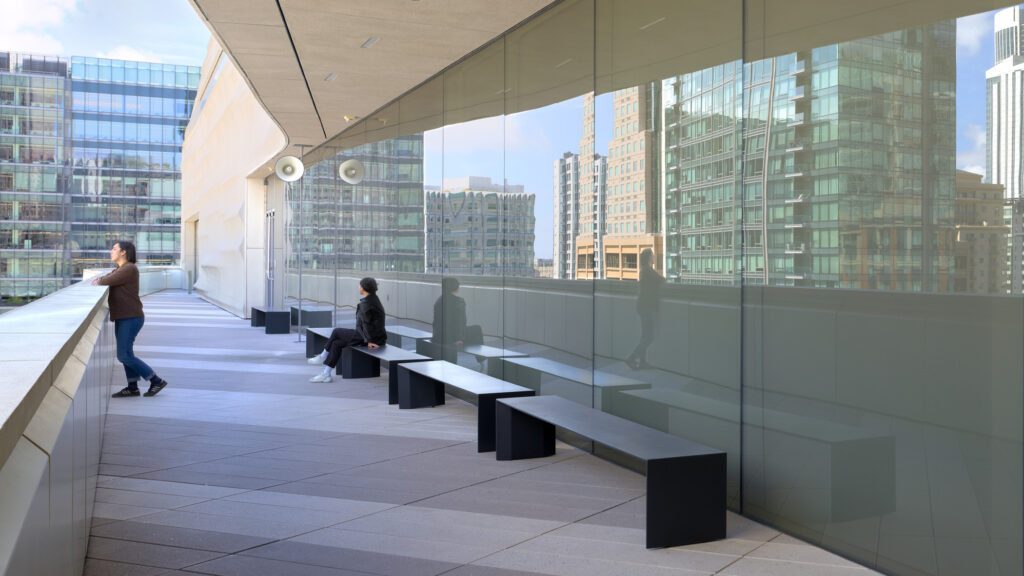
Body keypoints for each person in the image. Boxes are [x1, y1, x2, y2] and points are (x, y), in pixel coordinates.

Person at [91, 241, 168, 397]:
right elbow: (108, 276)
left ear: (123, 252)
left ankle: (156, 380)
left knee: (124, 355)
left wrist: (99, 281)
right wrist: (100, 279)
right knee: (127, 353)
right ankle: (132, 387)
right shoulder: (121, 269)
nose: (111, 251)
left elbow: (106, 280)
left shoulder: (129, 269)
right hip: (124, 317)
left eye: (114, 249)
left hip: (131, 317)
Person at [307, 277, 387, 382]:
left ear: (364, 288)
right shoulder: (373, 299)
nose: (359, 287)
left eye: (360, 285)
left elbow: (367, 324)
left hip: (366, 337)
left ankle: (323, 355)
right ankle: (326, 374)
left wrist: (369, 341)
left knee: (336, 331)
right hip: (372, 336)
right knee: (336, 344)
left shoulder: (366, 304)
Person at [625, 248, 665, 370]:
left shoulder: (644, 270)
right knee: (649, 336)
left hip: (642, 305)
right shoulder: (648, 270)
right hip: (646, 306)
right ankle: (631, 358)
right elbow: (662, 280)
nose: (654, 258)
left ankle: (642, 362)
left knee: (644, 335)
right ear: (649, 258)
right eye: (652, 255)